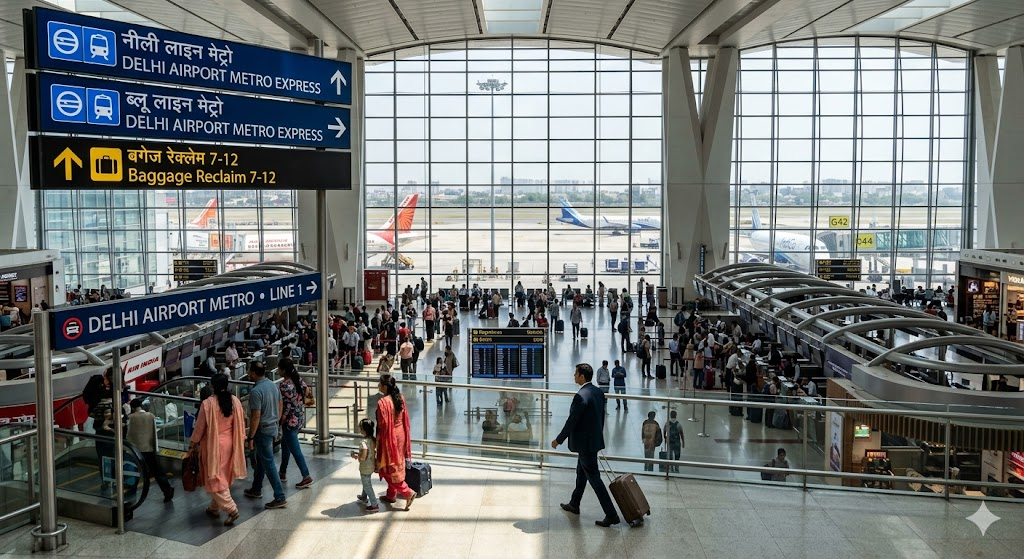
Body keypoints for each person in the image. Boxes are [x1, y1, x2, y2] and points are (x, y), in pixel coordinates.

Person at [552, 363, 620, 528]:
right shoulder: (597, 392)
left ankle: (611, 515)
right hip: (593, 441)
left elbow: (572, 421)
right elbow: (600, 417)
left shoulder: (581, 396)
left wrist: (559, 439)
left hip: (585, 445)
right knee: (581, 474)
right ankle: (574, 503)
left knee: (595, 480)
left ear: (582, 376)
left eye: (576, 373)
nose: (574, 376)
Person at [188, 373, 247, 526]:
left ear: (213, 386)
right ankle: (214, 508)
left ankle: (231, 509)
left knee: (214, 477)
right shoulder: (234, 401)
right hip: (230, 443)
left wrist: (193, 443)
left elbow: (199, 428)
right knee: (222, 475)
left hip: (213, 445)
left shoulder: (208, 404)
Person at [243, 362, 287, 509]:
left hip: (262, 431)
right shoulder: (273, 385)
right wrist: (276, 420)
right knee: (262, 460)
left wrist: (250, 437)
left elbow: (255, 416)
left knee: (268, 463)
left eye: (250, 372)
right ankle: (256, 488)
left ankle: (280, 496)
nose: (249, 374)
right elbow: (281, 403)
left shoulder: (256, 391)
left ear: (254, 373)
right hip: (272, 427)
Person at [375, 374, 416, 510]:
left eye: (380, 384)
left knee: (388, 468)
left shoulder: (383, 403)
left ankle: (407, 492)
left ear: (385, 387)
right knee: (396, 464)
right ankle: (391, 494)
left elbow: (382, 425)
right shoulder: (400, 397)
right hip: (400, 435)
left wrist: (378, 442)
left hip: (390, 437)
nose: (378, 386)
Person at [126, 398, 174, 502]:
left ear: (133, 408)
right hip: (149, 448)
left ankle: (130, 493)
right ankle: (167, 491)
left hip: (135, 449)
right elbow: (154, 433)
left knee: (133, 471)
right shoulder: (150, 416)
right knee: (158, 472)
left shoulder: (131, 417)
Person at [277, 358, 313, 489]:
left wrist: (281, 420)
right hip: (299, 417)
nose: (278, 370)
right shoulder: (298, 380)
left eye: (279, 368)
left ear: (283, 370)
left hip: (289, 421)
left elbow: (287, 407)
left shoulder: (284, 386)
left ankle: (306, 475)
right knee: (285, 444)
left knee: (295, 449)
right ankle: (282, 472)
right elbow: (307, 392)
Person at [353, 419, 380, 512]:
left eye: (360, 427)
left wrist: (356, 455)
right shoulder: (372, 439)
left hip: (365, 467)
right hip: (371, 465)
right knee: (366, 481)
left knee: (367, 484)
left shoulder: (363, 442)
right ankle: (363, 496)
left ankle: (374, 504)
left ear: (363, 430)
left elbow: (363, 456)